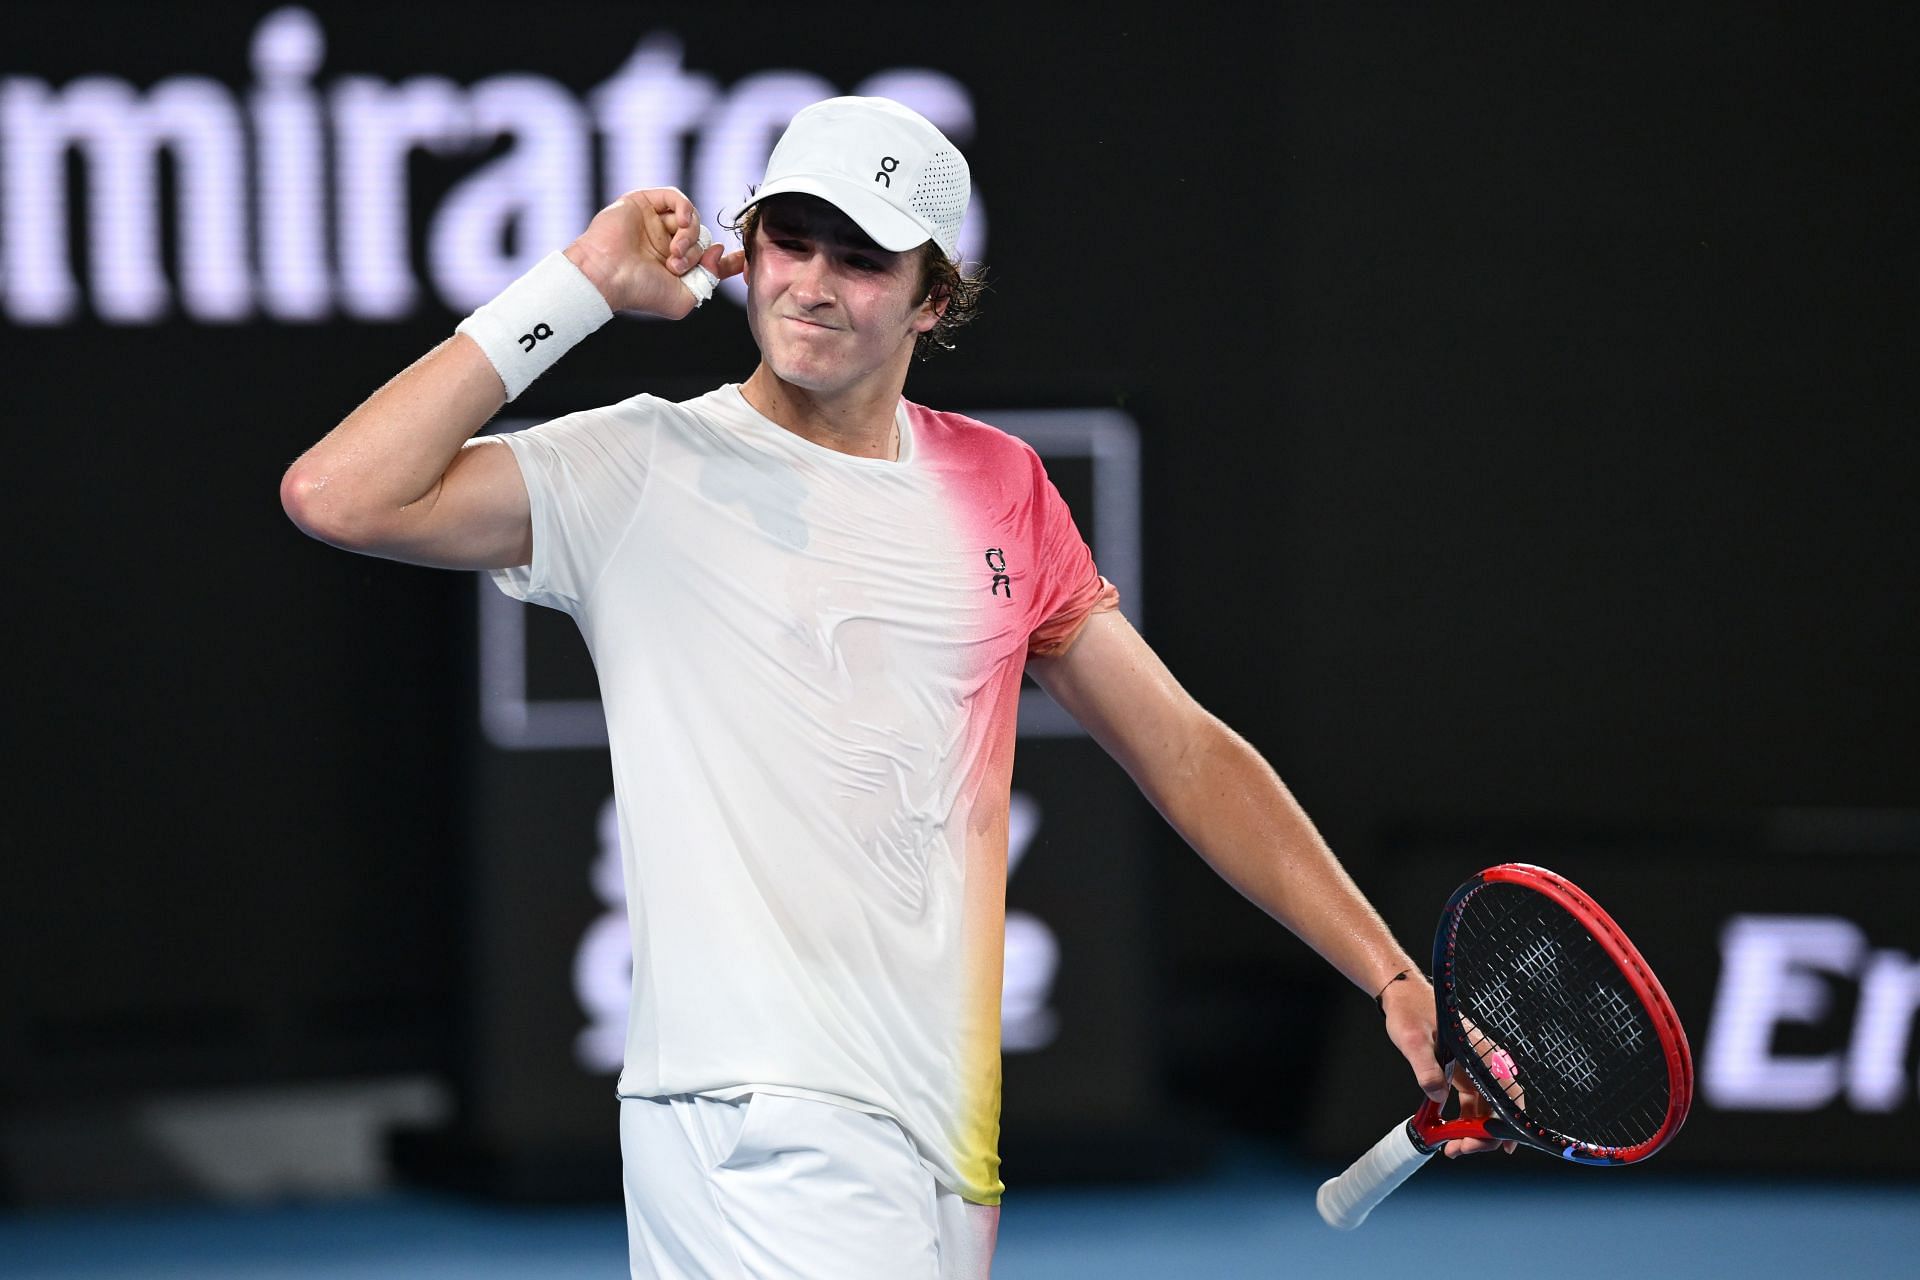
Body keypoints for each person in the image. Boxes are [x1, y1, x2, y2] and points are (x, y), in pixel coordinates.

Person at [282, 96, 1502, 1280]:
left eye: (861, 259)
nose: (811, 283)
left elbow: (1181, 748)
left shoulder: (1000, 484)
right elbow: (340, 494)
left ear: (934, 297)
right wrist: (579, 288)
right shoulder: (641, 460)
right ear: (744, 246)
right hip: (760, 1110)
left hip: (940, 1130)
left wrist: (1390, 973)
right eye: (787, 241)